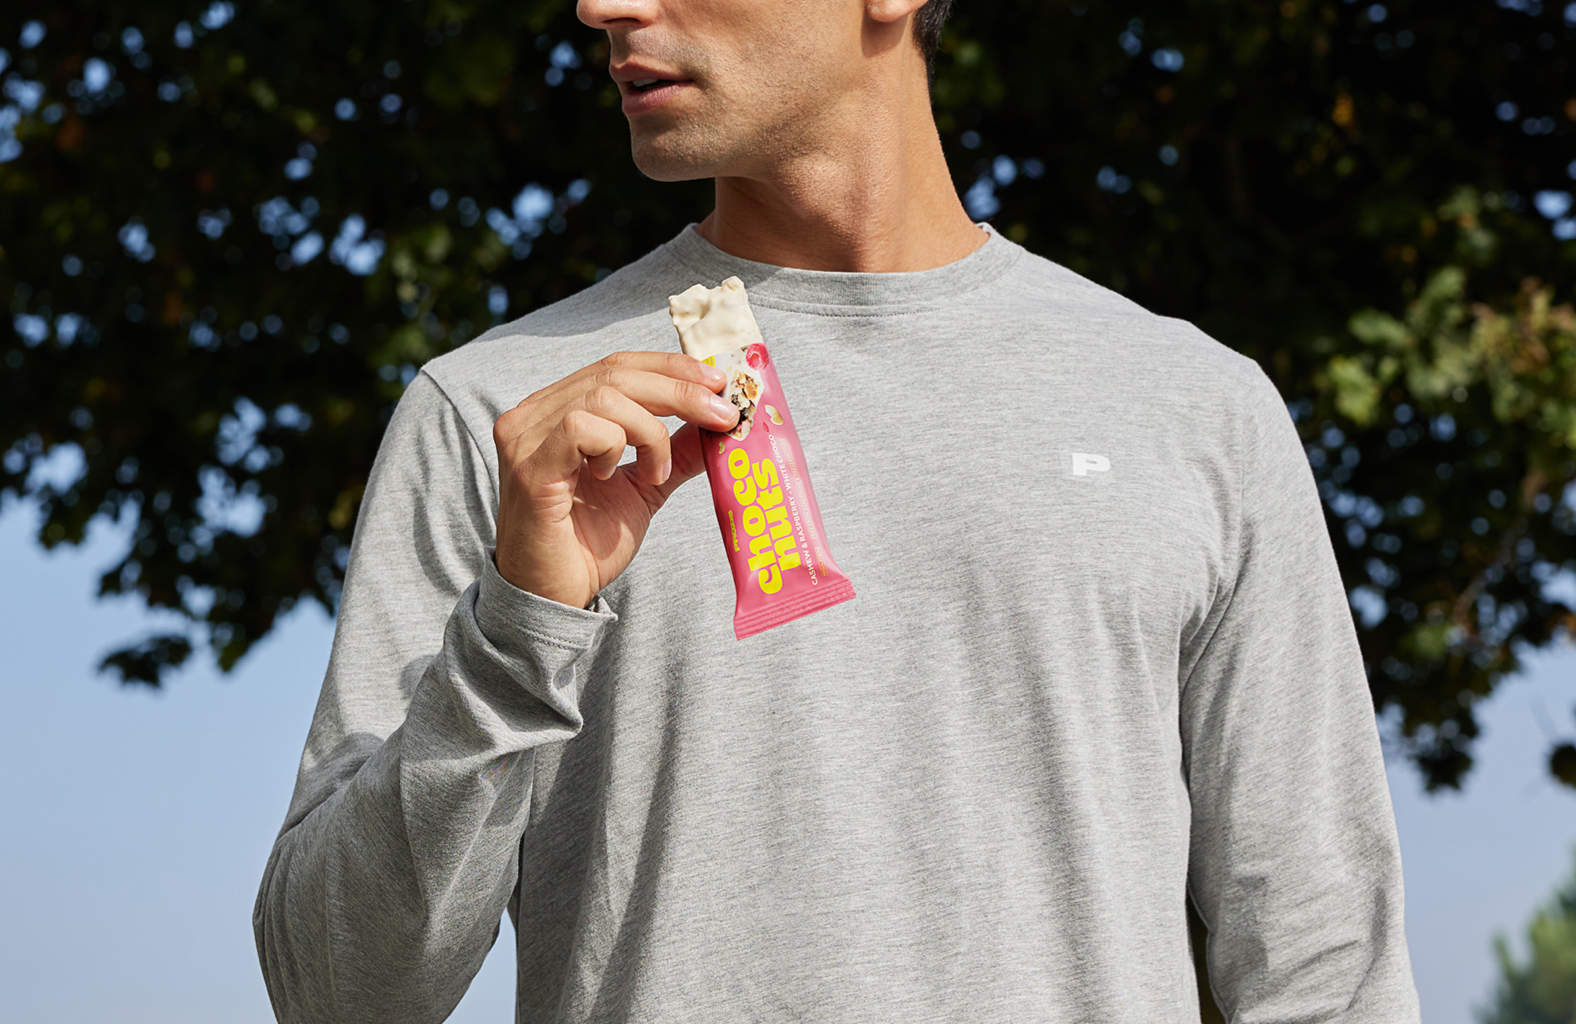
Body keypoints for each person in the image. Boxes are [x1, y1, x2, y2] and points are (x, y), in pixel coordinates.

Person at [252, 1, 1424, 1021]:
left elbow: (1327, 967)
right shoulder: (503, 420)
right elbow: (338, 995)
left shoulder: (1197, 407)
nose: (601, 7)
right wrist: (518, 624)